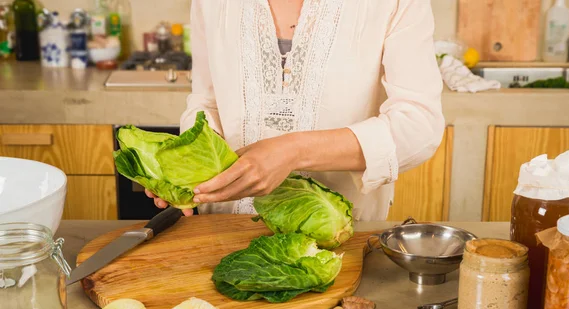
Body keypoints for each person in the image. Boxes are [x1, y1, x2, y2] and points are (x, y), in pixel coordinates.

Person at [146, 0, 445, 221]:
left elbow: (419, 124)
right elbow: (206, 103)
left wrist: (292, 152)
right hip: (224, 230)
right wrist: (190, 164)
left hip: (339, 235)